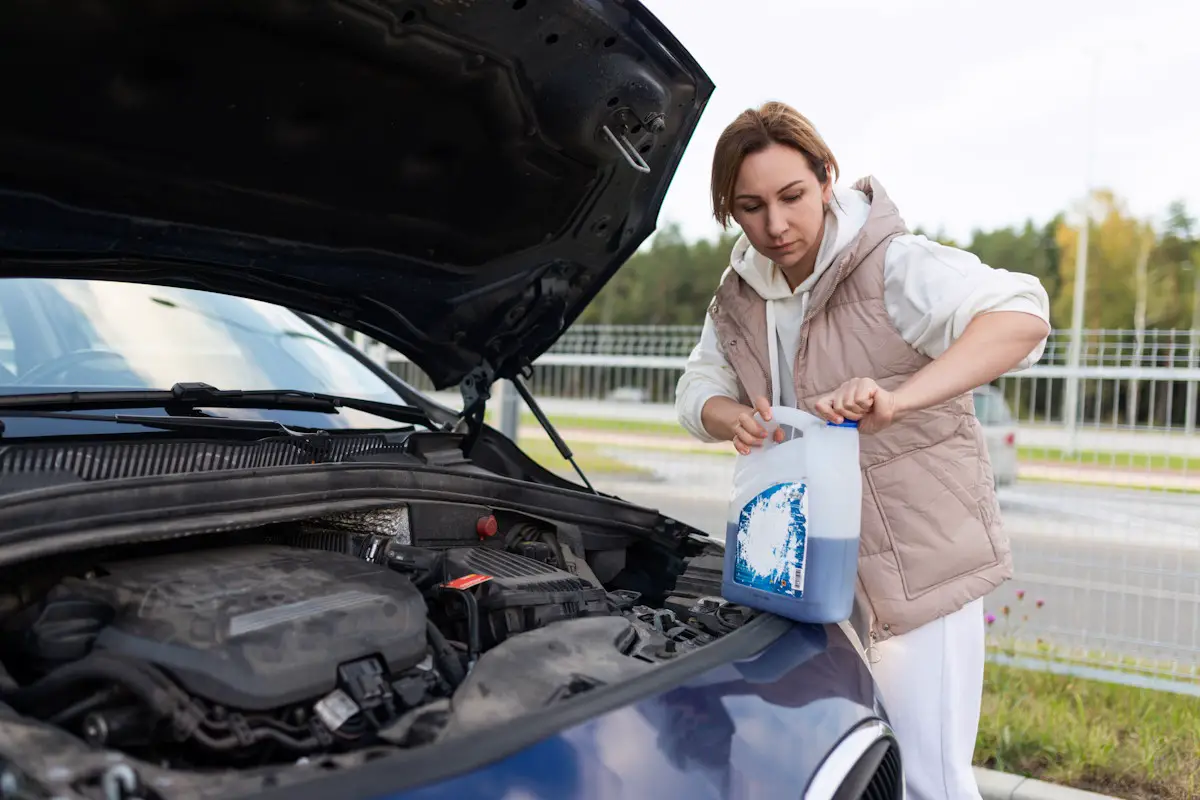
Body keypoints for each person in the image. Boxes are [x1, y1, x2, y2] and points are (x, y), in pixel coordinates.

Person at [674, 101, 1050, 800]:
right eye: (750, 206)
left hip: (915, 575)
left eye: (791, 196)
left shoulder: (894, 264)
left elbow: (1023, 315)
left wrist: (900, 399)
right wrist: (731, 418)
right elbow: (697, 386)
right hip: (805, 572)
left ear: (826, 178)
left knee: (926, 780)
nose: (776, 225)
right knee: (842, 769)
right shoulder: (737, 295)